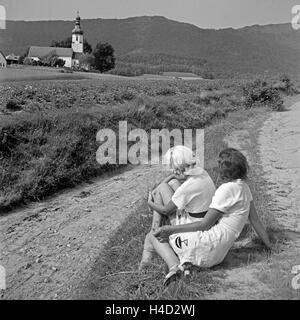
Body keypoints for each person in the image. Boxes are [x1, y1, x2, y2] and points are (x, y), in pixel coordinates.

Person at [148, 148, 272, 285]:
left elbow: (205, 224)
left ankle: (174, 266)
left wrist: (169, 229)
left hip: (207, 246)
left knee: (153, 236)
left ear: (222, 171)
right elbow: (255, 220)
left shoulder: (225, 190)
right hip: (219, 254)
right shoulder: (244, 188)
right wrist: (270, 246)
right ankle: (186, 265)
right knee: (170, 231)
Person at [139, 145, 216, 273]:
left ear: (181, 168)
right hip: (204, 217)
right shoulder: (201, 172)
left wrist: (149, 203)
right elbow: (171, 180)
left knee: (151, 237)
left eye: (174, 169)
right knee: (165, 185)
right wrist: (169, 179)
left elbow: (166, 210)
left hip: (193, 227)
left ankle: (152, 265)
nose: (173, 172)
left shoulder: (188, 187)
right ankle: (156, 225)